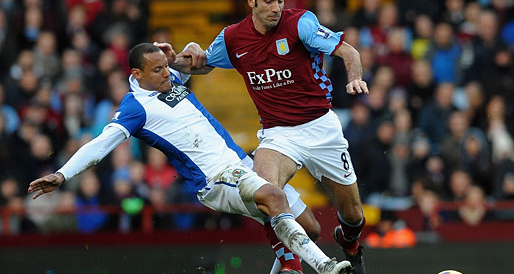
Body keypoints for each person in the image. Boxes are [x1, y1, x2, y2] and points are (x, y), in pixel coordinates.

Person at [27, 43, 352, 274]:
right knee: (273, 196)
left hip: (240, 163)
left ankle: (290, 268)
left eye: (166, 68)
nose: (167, 74)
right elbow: (99, 145)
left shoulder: (171, 80)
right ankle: (323, 266)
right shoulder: (134, 108)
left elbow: (193, 61)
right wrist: (63, 174)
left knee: (308, 228)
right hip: (214, 178)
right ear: (137, 74)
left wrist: (180, 53)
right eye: (157, 70)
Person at [169, 0, 369, 273]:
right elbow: (201, 65)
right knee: (265, 191)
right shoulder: (233, 38)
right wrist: (173, 60)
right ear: (250, 1)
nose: (277, 8)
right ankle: (292, 265)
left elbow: (349, 52)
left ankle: (349, 242)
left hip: (322, 127)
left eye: (281, 0)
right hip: (278, 134)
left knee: (352, 215)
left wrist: (355, 78)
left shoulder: (301, 23)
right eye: (268, 1)